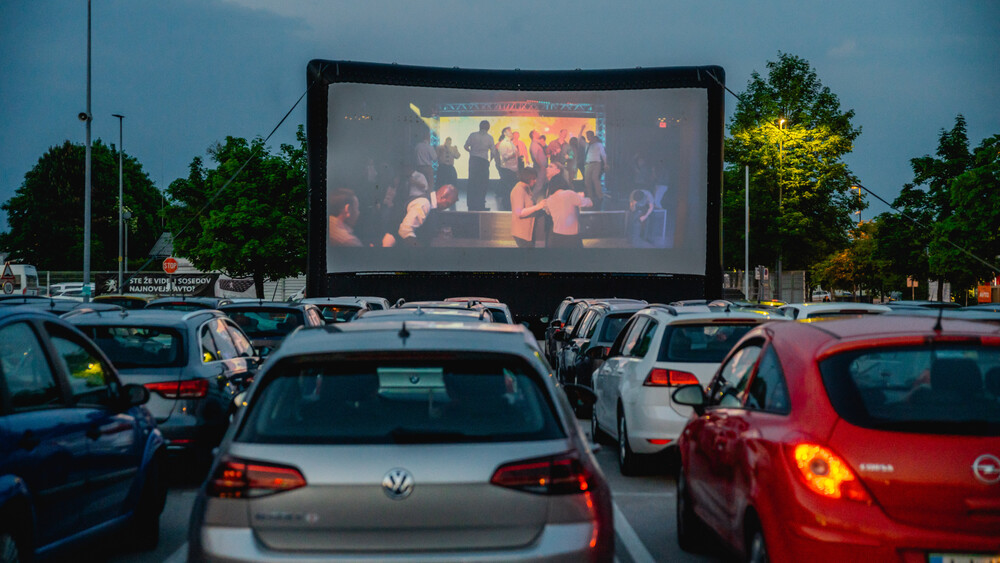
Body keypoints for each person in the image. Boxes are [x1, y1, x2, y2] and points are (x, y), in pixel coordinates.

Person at [543, 174, 592, 248]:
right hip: (572, 237)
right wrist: (580, 196)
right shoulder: (569, 194)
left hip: (556, 236)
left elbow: (548, 212)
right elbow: (589, 203)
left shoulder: (549, 199)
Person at [464, 120, 497, 211]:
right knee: (482, 183)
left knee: (472, 182)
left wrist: (472, 152)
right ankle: (481, 203)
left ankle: (470, 203)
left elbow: (466, 146)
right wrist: (490, 161)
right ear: (488, 128)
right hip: (483, 161)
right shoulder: (489, 137)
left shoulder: (473, 135)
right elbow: (493, 152)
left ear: (479, 126)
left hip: (473, 160)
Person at [510, 167, 547, 248]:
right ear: (527, 178)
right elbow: (519, 213)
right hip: (521, 233)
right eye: (533, 179)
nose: (535, 181)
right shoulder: (518, 190)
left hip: (527, 232)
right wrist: (537, 206)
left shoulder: (526, 189)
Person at [579, 125, 607, 207]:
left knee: (595, 178)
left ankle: (600, 196)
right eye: (587, 136)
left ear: (592, 136)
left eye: (589, 135)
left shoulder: (598, 144)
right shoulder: (587, 145)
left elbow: (603, 155)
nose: (587, 137)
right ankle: (590, 197)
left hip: (596, 163)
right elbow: (579, 139)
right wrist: (582, 129)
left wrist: (605, 164)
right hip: (588, 164)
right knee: (587, 181)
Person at [495, 127, 519, 212]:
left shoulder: (510, 143)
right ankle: (507, 207)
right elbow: (504, 157)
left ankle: (509, 206)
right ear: (504, 133)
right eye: (510, 131)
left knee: (511, 189)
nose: (511, 133)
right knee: (508, 190)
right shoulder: (504, 144)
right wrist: (513, 155)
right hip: (507, 169)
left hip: (512, 169)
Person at [529, 130, 548, 197]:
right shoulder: (534, 145)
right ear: (533, 135)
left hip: (542, 167)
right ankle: (532, 200)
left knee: (542, 183)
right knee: (539, 185)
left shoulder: (537, 144)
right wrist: (541, 166)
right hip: (540, 168)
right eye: (537, 133)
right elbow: (535, 157)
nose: (539, 133)